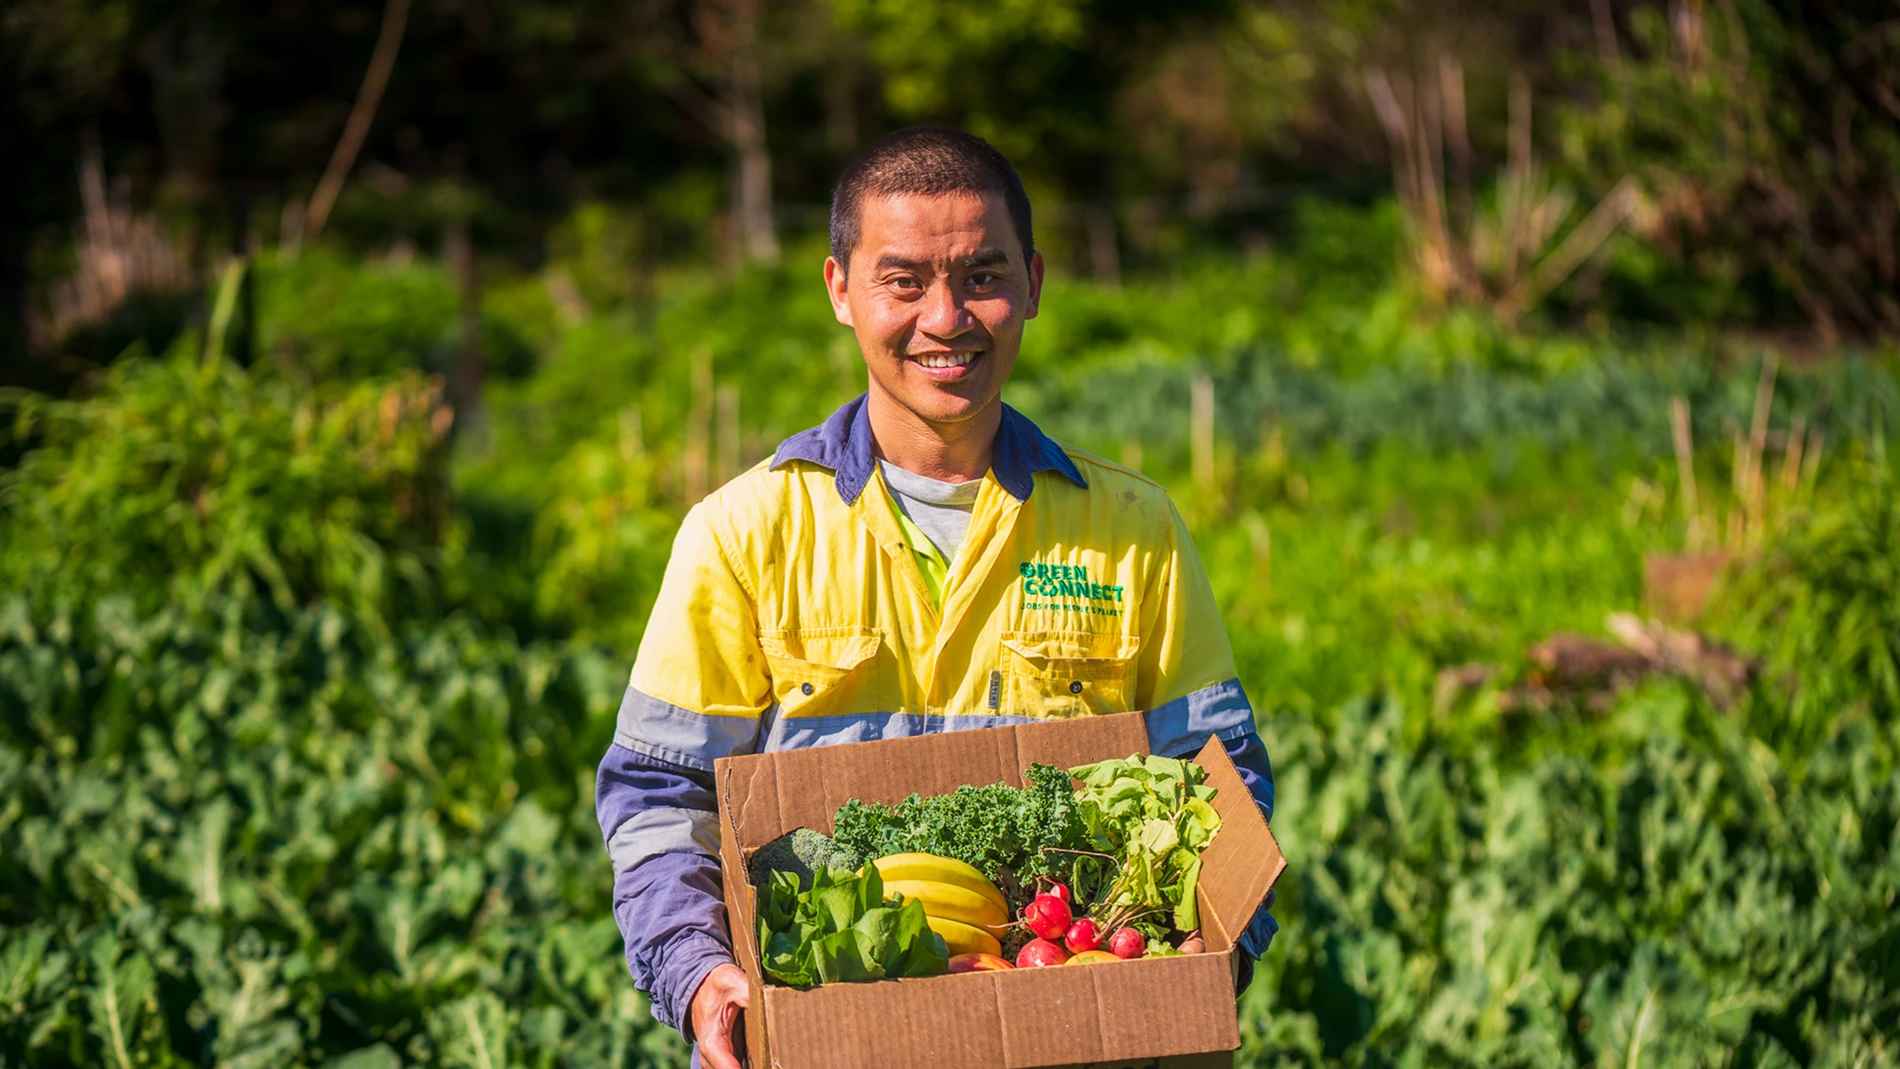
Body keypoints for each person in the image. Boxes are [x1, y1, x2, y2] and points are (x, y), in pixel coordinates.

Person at [596, 126, 1277, 1069]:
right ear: (841, 289)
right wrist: (698, 969)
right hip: (835, 1031)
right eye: (904, 281)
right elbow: (659, 792)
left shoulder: (1131, 526)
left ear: (1034, 283)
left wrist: (1212, 945)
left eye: (982, 276)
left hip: (1086, 1031)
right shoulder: (742, 533)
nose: (947, 317)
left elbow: (1220, 771)